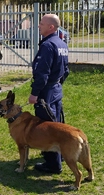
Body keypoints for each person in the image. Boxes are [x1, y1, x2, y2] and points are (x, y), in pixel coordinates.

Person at [28, 14, 69, 174]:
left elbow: (42, 73)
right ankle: (61, 154)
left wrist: (35, 94)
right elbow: (66, 70)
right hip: (56, 89)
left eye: (41, 23)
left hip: (46, 92)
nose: (39, 26)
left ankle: (53, 164)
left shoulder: (48, 45)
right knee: (57, 122)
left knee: (47, 127)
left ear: (51, 27)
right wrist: (56, 85)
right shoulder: (61, 43)